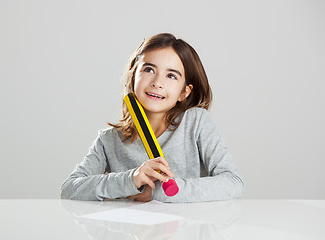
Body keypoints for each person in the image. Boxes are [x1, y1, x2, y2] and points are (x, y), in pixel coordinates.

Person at [60, 33, 244, 202]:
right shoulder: (109, 140)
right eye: (149, 70)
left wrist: (156, 192)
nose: (157, 82)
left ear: (184, 92)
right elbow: (69, 189)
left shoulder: (195, 122)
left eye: (171, 75)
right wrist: (130, 179)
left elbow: (233, 183)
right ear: (133, 78)